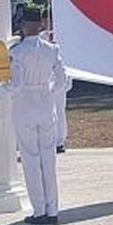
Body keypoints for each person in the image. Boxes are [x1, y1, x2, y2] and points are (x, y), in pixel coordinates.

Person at [3, 6, 65, 225]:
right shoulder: (52, 49)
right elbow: (62, 82)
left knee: (31, 159)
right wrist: (47, 93)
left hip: (25, 106)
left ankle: (39, 210)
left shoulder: (17, 52)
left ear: (22, 26)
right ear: (39, 25)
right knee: (48, 159)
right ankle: (53, 209)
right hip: (46, 105)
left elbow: (16, 84)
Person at [38, 9, 73, 153]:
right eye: (45, 20)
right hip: (44, 78)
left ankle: (59, 140)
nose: (48, 23)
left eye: (50, 20)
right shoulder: (40, 38)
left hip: (59, 78)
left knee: (59, 110)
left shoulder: (64, 36)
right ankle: (47, 139)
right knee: (46, 111)